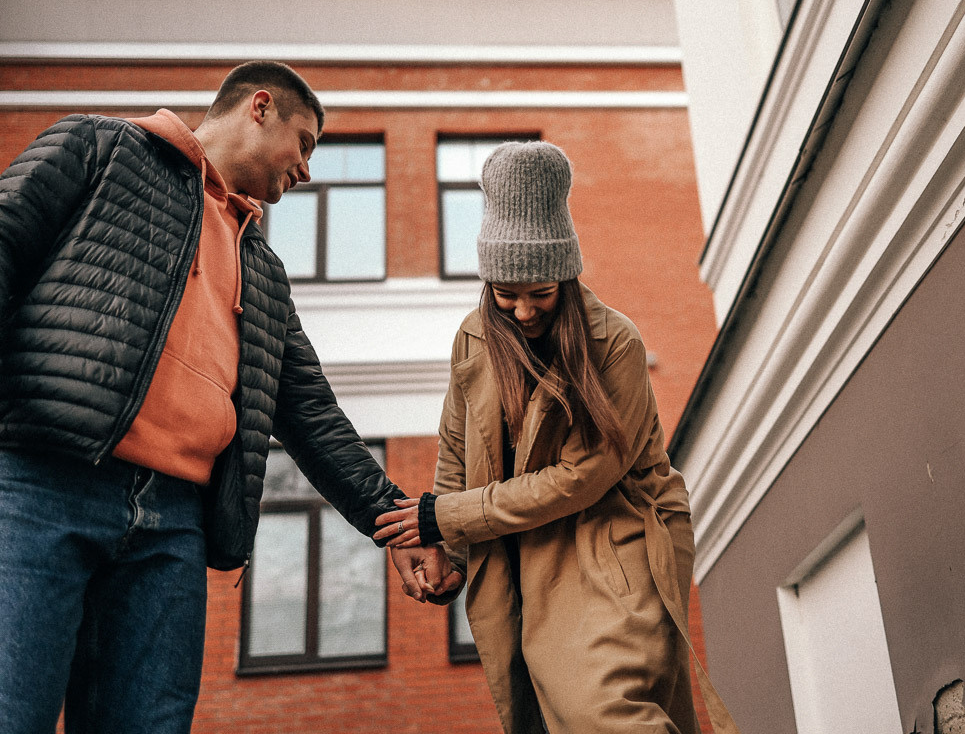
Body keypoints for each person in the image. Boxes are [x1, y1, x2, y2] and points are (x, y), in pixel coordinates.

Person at [0, 61, 457, 734]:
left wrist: (395, 520)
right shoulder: (100, 147)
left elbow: (309, 410)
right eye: (305, 144)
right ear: (260, 108)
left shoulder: (263, 270)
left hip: (172, 527)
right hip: (43, 486)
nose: (307, 171)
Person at [376, 141, 737, 734]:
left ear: (566, 279)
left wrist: (445, 518)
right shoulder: (473, 337)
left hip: (612, 544)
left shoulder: (614, 343)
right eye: (506, 293)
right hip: (519, 559)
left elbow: (581, 478)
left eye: (540, 292)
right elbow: (457, 452)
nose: (522, 311)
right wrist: (450, 550)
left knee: (606, 712)